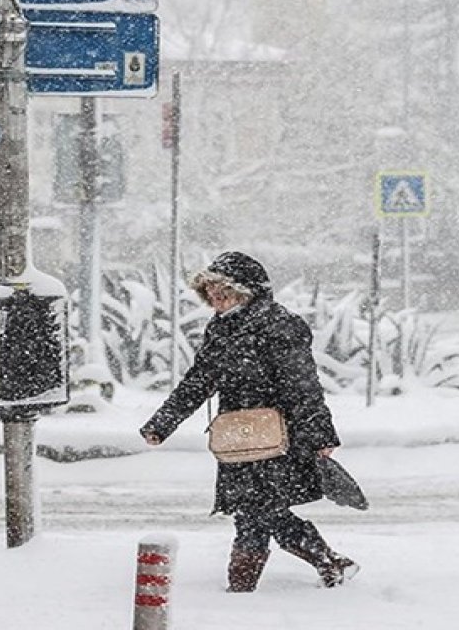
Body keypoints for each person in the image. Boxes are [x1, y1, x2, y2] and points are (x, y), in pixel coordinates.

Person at [139, 251, 358, 592]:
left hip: (280, 435)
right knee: (256, 509)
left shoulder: (279, 325)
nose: (215, 299)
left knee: (255, 511)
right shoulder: (221, 328)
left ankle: (242, 588)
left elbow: (303, 385)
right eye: (210, 292)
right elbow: (200, 380)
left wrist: (320, 434)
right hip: (239, 436)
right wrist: (162, 423)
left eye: (222, 291)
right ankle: (328, 562)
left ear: (247, 290)